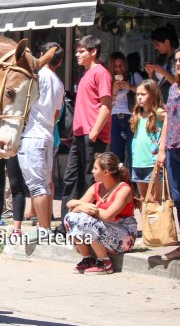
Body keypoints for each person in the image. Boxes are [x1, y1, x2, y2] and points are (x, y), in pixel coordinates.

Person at [60, 35, 112, 221]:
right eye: (77, 51)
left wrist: (95, 132)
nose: (77, 55)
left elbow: (106, 104)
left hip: (92, 135)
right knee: (72, 178)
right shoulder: (86, 74)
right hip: (80, 134)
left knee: (92, 179)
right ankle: (67, 222)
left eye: (81, 51)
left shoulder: (101, 73)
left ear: (93, 52)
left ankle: (90, 223)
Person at [17, 42, 64, 236]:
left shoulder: (37, 76)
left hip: (32, 135)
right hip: (47, 134)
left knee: (37, 186)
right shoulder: (58, 82)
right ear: (60, 62)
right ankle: (45, 227)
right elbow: (56, 114)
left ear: (43, 55)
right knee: (44, 184)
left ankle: (44, 229)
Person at [64, 152, 137, 275]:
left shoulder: (123, 189)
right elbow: (72, 207)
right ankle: (88, 259)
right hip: (104, 229)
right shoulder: (97, 187)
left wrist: (91, 210)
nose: (92, 171)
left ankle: (105, 263)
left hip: (124, 234)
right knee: (70, 218)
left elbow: (108, 216)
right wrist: (85, 206)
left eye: (95, 168)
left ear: (106, 171)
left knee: (87, 220)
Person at [157, 48, 180, 262]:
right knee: (177, 199)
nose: (178, 64)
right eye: (177, 61)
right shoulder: (173, 89)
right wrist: (162, 149)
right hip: (173, 149)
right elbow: (168, 121)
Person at [129, 79, 165, 202]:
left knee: (154, 198)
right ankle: (146, 222)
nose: (139, 97)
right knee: (143, 198)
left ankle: (158, 222)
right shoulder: (137, 114)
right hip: (138, 161)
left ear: (153, 95)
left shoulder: (158, 113)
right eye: (137, 94)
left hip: (152, 162)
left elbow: (171, 120)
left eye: (143, 94)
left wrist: (163, 143)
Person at [108, 52, 143, 165]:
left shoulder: (134, 76)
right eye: (116, 66)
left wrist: (131, 87)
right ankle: (119, 181)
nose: (118, 69)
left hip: (131, 117)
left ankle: (133, 181)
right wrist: (113, 92)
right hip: (115, 118)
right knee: (116, 155)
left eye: (121, 65)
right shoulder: (108, 79)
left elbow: (146, 92)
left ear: (125, 65)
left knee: (133, 153)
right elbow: (106, 105)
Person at [146, 25, 178, 101]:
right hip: (160, 101)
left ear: (167, 42)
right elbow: (155, 83)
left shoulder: (177, 57)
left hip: (173, 102)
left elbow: (177, 83)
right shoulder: (161, 58)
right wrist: (150, 74)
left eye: (157, 44)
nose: (155, 47)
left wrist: (163, 71)